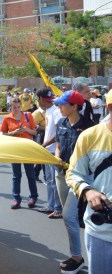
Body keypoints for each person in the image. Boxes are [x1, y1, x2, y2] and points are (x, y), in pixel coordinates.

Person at [66, 90, 112, 274]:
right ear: (110, 108)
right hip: (101, 230)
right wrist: (87, 191)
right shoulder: (89, 136)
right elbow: (73, 173)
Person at [54, 90, 94, 273]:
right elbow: (58, 145)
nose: (59, 107)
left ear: (75, 106)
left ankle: (77, 257)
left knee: (69, 216)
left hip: (80, 177)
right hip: (61, 174)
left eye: (63, 104)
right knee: (69, 216)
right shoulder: (61, 122)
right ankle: (77, 254)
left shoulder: (89, 127)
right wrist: (56, 158)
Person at [0, 96, 38, 209]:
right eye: (14, 107)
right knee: (16, 175)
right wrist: (14, 132)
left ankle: (33, 197)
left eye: (18, 107)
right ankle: (16, 199)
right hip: (15, 149)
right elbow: (3, 134)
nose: (16, 109)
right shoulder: (7, 118)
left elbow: (35, 132)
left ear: (20, 106)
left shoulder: (28, 115)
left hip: (27, 149)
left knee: (30, 174)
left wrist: (26, 129)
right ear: (10, 107)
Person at [35, 88, 63, 219]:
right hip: (47, 151)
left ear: (40, 99)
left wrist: (44, 144)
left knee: (55, 181)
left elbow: (59, 133)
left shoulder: (56, 112)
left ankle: (58, 208)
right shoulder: (47, 111)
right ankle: (51, 205)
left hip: (53, 151)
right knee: (49, 180)